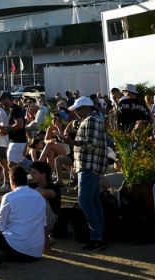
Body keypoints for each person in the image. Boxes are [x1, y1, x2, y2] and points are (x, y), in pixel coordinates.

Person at [68, 96, 108, 251]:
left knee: (85, 201)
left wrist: (72, 143)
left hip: (88, 166)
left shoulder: (90, 120)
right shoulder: (94, 119)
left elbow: (90, 145)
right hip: (92, 165)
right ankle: (98, 237)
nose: (77, 112)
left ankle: (96, 237)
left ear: (85, 108)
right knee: (93, 201)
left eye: (78, 109)